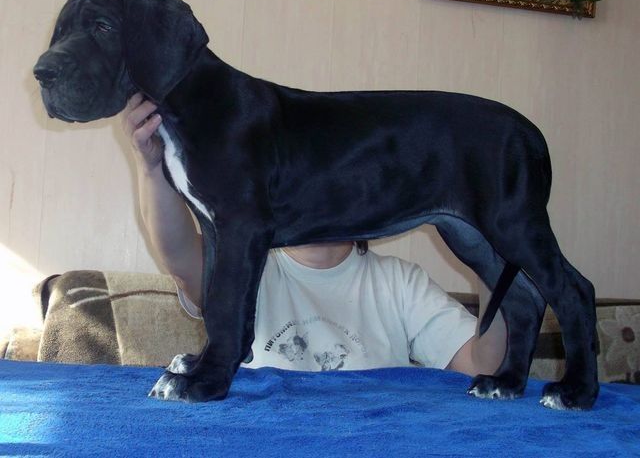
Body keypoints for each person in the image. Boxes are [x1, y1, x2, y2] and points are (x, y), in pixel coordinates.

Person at [121, 93, 507, 376]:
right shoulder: (246, 264)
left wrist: (494, 258)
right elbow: (180, 258)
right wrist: (154, 167)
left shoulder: (400, 284)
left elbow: (482, 366)